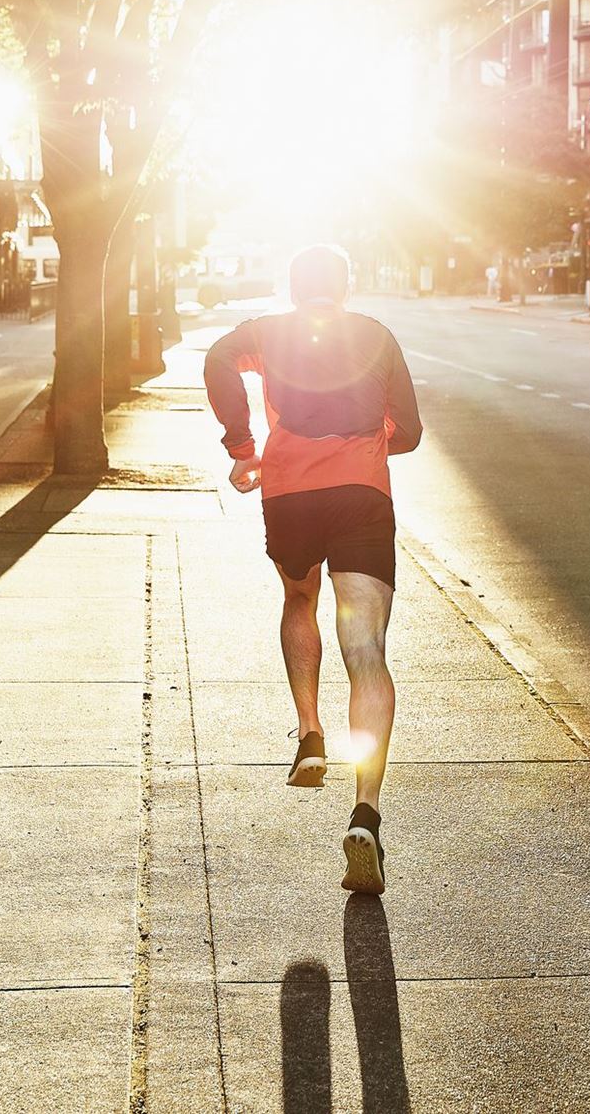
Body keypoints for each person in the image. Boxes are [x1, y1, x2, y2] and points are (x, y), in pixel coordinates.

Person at [203, 244, 422, 894]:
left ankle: (309, 733)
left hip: (290, 492)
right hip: (360, 494)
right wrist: (373, 430)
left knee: (299, 601)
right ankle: (366, 812)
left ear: (294, 288)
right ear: (346, 287)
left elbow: (217, 357)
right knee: (366, 649)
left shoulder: (268, 332)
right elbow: (408, 430)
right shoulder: (377, 336)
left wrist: (242, 446)